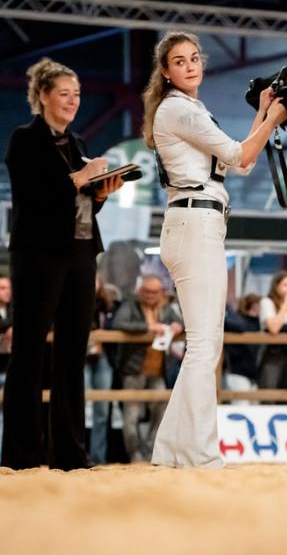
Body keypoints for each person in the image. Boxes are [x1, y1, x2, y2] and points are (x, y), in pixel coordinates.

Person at [142, 31, 286, 468]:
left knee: (206, 345)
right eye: (179, 61)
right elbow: (242, 157)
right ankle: (201, 455)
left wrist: (263, 112)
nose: (190, 66)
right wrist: (275, 118)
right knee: (205, 346)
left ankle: (171, 451)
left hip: (198, 222)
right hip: (194, 222)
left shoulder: (190, 109)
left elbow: (238, 163)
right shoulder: (179, 109)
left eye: (194, 58)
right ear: (165, 72)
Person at [1, 58, 122, 470]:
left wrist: (102, 190)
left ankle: (70, 453)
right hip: (38, 254)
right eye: (64, 94)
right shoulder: (24, 140)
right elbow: (33, 196)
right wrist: (79, 178)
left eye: (77, 95)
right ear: (42, 97)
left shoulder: (79, 144)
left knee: (73, 352)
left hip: (82, 251)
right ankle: (21, 454)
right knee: (29, 351)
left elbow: (84, 205)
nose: (72, 102)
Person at [110, 275, 184, 462]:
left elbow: (180, 322)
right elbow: (118, 323)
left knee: (161, 411)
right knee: (131, 415)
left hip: (158, 369)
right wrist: (148, 327)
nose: (151, 295)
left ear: (161, 293)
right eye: (147, 291)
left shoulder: (166, 307)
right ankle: (135, 454)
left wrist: (177, 326)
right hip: (133, 369)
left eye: (155, 291)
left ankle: (151, 451)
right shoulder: (130, 305)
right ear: (141, 291)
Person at [84, 274, 115, 465]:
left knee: (102, 411)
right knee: (78, 407)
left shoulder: (107, 307)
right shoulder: (70, 303)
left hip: (103, 357)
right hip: (80, 358)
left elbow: (116, 326)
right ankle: (76, 453)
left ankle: (98, 458)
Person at [223, 293, 262, 401]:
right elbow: (237, 325)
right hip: (237, 373)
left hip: (253, 375)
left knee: (255, 408)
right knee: (241, 405)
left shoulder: (257, 323)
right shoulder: (237, 319)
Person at [0, 275, 12, 461]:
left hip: (9, 366)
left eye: (8, 287)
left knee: (8, 417)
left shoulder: (14, 310)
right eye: (2, 287)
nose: (6, 291)